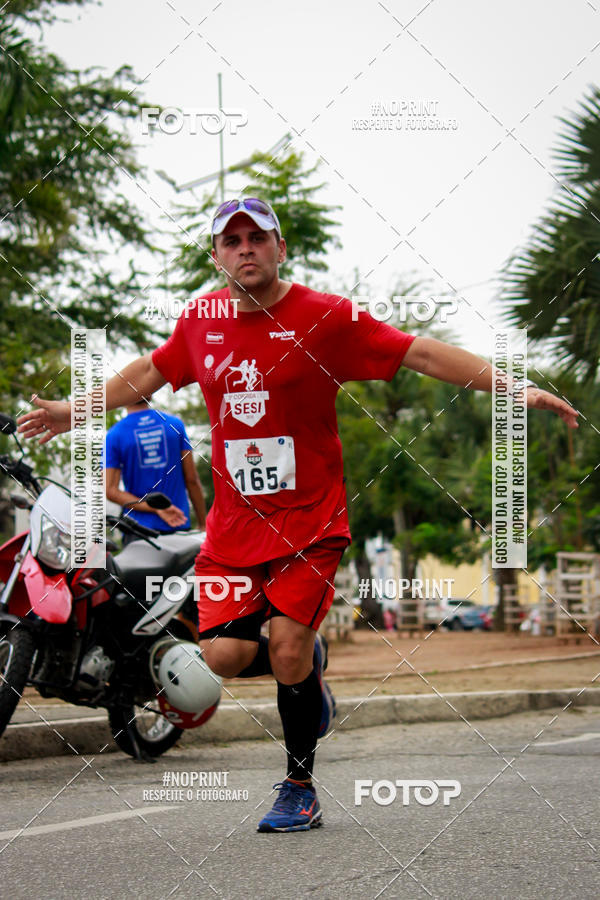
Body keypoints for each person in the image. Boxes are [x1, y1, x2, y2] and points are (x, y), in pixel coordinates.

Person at [18, 197, 579, 833]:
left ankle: (299, 786)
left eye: (257, 238)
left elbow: (418, 352)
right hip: (233, 528)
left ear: (280, 248)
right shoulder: (200, 320)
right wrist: (72, 410)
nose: (245, 249)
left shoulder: (325, 317)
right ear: (217, 256)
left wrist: (515, 387)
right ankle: (310, 673)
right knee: (222, 657)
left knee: (286, 648)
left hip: (310, 521)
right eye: (232, 241)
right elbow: (149, 371)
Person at [104, 400, 206, 542]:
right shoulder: (174, 424)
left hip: (138, 531)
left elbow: (110, 491)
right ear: (149, 391)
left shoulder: (115, 434)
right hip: (179, 524)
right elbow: (192, 479)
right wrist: (203, 524)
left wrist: (155, 508)